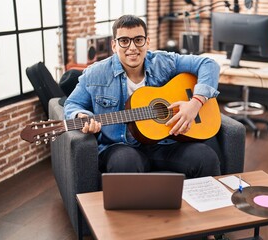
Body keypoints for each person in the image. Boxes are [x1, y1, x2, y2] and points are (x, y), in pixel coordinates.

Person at [64, 15, 221, 179]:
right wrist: (81, 116)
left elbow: (209, 65)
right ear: (114, 45)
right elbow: (72, 104)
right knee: (125, 163)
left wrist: (195, 103)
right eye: (124, 41)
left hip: (166, 143)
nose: (132, 47)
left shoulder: (163, 62)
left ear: (147, 42)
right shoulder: (95, 73)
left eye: (138, 40)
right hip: (120, 146)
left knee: (205, 157)